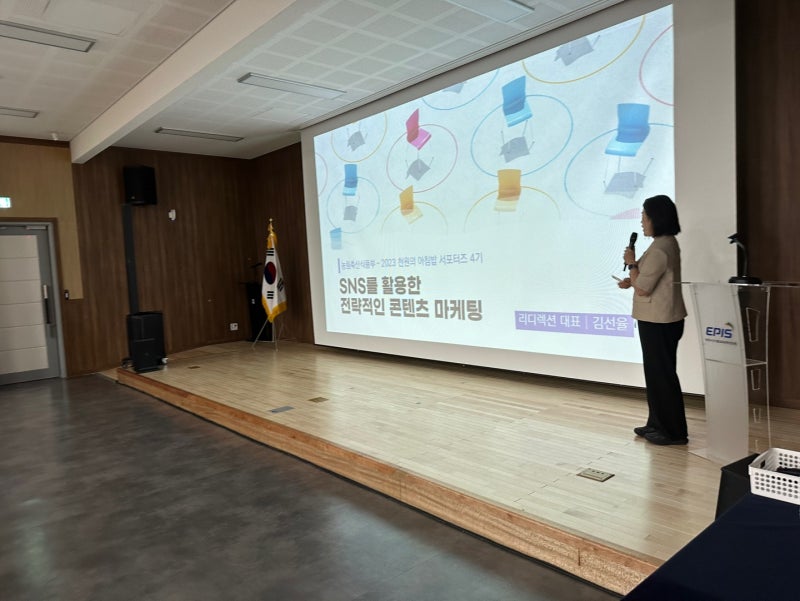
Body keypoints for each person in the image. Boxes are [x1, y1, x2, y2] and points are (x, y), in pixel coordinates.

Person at [618, 194, 688, 445]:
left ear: (657, 218)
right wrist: (632, 278)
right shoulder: (664, 243)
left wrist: (631, 265)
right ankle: (657, 424)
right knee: (657, 374)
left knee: (661, 375)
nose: (642, 222)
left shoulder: (660, 248)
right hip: (659, 318)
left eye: (644, 217)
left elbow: (644, 288)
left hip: (659, 321)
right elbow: (648, 280)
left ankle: (672, 432)